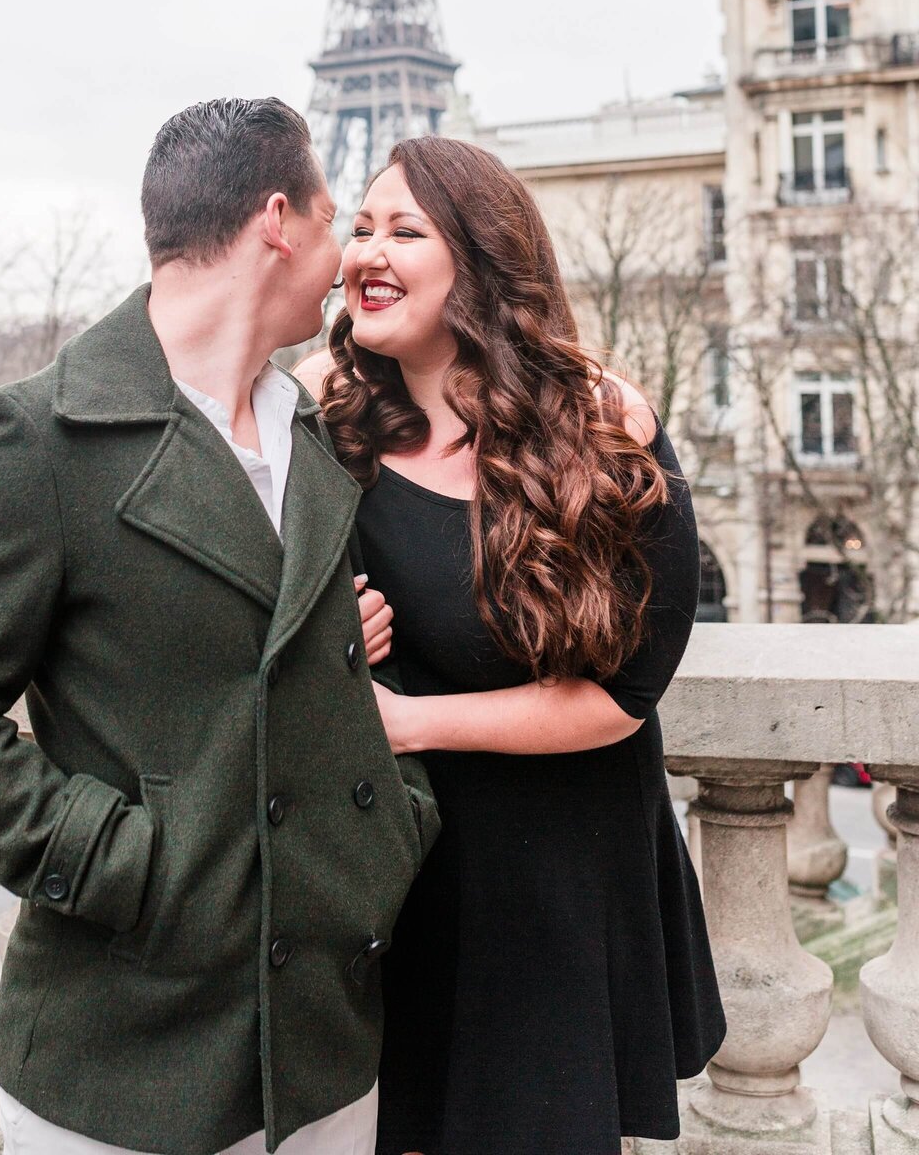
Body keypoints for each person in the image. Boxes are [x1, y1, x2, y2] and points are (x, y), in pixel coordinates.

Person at [0, 97, 439, 1155]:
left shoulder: (309, 436)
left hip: (324, 1043)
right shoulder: (36, 441)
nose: (343, 254)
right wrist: (132, 867)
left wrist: (393, 827)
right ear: (278, 220)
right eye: (332, 221)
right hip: (126, 1056)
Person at [295, 135, 725, 1155]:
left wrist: (402, 720)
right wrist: (324, 640)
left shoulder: (605, 427)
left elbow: (624, 694)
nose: (367, 250)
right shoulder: (328, 419)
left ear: (484, 259)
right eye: (359, 228)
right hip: (399, 876)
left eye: (405, 229)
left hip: (555, 883)